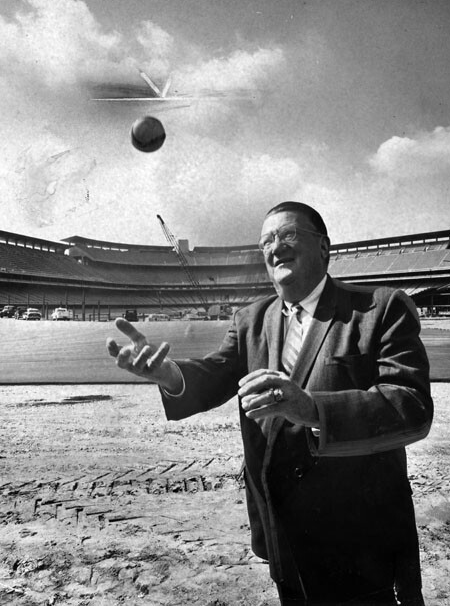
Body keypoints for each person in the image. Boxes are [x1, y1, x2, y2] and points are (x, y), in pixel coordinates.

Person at [106, 201, 432, 605]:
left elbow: (411, 406)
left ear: (324, 248)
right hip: (285, 539)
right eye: (267, 241)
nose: (276, 247)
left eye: (289, 235)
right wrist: (169, 375)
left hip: (362, 544)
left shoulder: (379, 309)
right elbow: (215, 374)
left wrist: (312, 408)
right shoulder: (251, 320)